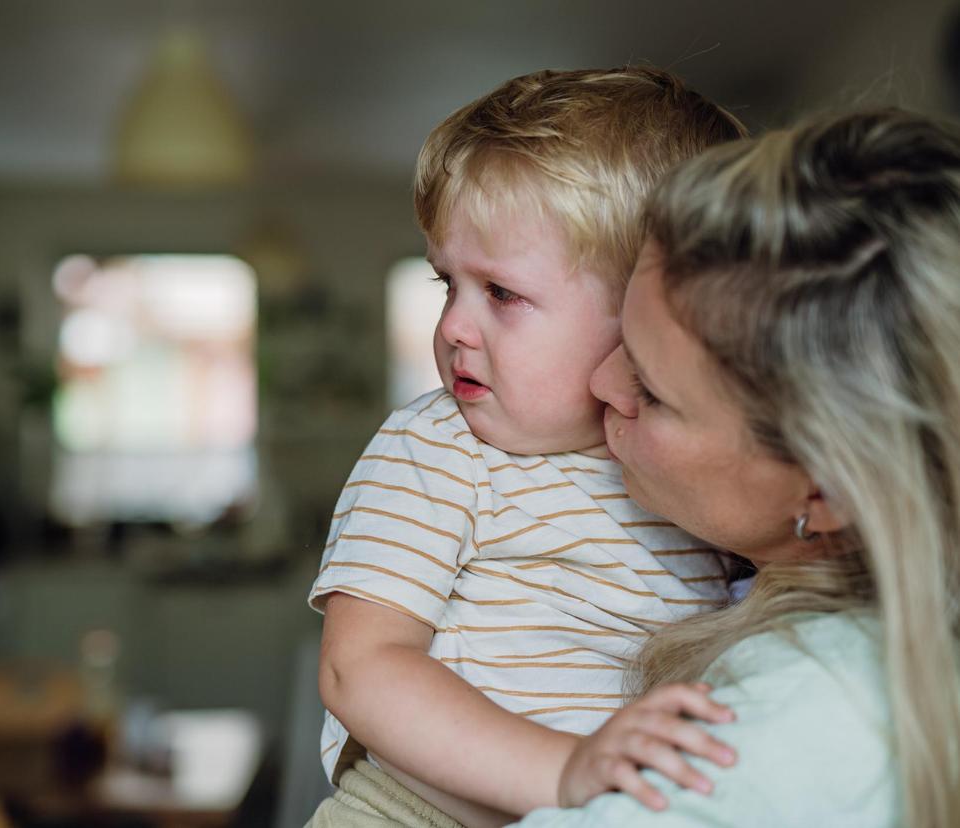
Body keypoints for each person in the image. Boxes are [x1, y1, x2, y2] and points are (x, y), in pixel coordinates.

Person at [307, 67, 746, 827]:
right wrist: (566, 772)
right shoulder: (435, 444)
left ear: (645, 314)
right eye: (447, 284)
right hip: (410, 811)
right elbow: (361, 666)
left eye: (501, 294)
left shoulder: (682, 471)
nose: (452, 327)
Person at [516, 107, 960, 828]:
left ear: (827, 489)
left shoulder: (792, 729)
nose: (601, 383)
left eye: (653, 394)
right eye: (621, 337)